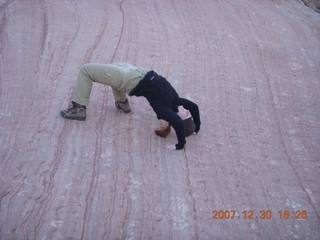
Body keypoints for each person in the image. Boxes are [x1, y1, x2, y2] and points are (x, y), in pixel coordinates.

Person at [60, 62, 201, 150]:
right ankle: (122, 103)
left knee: (86, 70)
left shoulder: (164, 111)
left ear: (180, 119)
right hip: (135, 72)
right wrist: (196, 128)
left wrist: (180, 145)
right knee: (114, 66)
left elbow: (176, 121)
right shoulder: (177, 102)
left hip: (128, 79)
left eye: (186, 114)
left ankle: (79, 109)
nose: (187, 110)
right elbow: (194, 107)